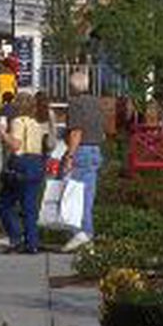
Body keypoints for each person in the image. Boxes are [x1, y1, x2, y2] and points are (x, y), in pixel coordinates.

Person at [0, 92, 48, 253]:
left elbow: (16, 144)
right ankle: (32, 242)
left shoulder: (18, 122)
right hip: (37, 163)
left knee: (4, 204)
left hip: (21, 164)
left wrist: (3, 133)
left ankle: (16, 237)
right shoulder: (36, 124)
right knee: (30, 207)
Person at [62, 69, 105, 252]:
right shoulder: (96, 103)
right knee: (88, 195)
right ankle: (87, 237)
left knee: (76, 196)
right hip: (95, 148)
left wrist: (70, 155)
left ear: (72, 86)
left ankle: (82, 232)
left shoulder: (75, 104)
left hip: (81, 150)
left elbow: (76, 131)